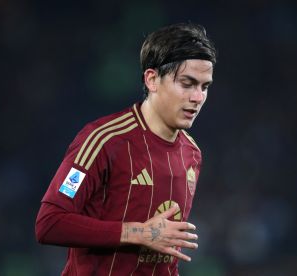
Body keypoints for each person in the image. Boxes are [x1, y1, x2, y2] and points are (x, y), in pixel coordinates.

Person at [35, 22, 217, 276]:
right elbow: (49, 223)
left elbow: (164, 257)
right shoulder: (104, 140)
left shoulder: (192, 153)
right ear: (152, 79)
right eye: (187, 83)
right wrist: (139, 233)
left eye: (204, 87)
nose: (197, 97)